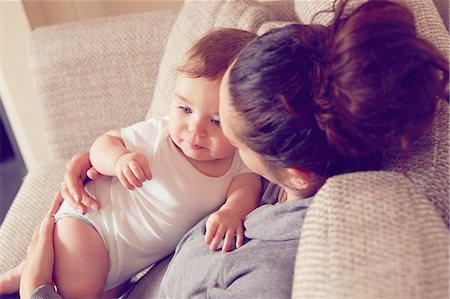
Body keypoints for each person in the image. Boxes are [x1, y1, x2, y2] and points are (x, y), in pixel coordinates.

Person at [8, 0, 450, 297]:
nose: (202, 137)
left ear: (293, 172)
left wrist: (36, 289)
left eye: (229, 131)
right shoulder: (294, 169)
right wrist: (98, 156)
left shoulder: (266, 271)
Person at [0, 28, 261, 298]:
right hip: (92, 225)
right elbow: (103, 144)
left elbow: (246, 190)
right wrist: (119, 159)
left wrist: (232, 212)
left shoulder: (240, 163)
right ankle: (29, 276)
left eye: (216, 121)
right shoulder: (158, 136)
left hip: (126, 266)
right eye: (184, 109)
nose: (195, 129)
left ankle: (28, 274)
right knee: (82, 291)